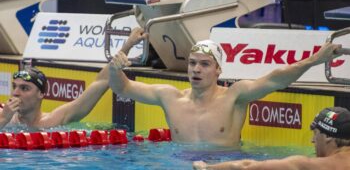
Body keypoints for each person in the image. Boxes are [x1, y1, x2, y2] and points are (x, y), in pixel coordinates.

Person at [109, 36, 343, 147]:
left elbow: (277, 79)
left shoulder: (235, 96)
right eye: (192, 63)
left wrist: (315, 59)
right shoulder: (170, 97)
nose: (196, 70)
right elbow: (123, 87)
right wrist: (115, 67)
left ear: (218, 70)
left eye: (204, 64)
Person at [0, 28, 147, 129]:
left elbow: (100, 82)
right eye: (15, 86)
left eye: (24, 88)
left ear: (41, 94)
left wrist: (128, 45)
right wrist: (3, 120)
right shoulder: (5, 118)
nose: (15, 93)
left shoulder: (53, 121)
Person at [193, 106, 350, 170]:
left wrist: (207, 168)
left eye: (315, 133)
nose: (312, 141)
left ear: (328, 137)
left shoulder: (308, 165)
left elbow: (245, 167)